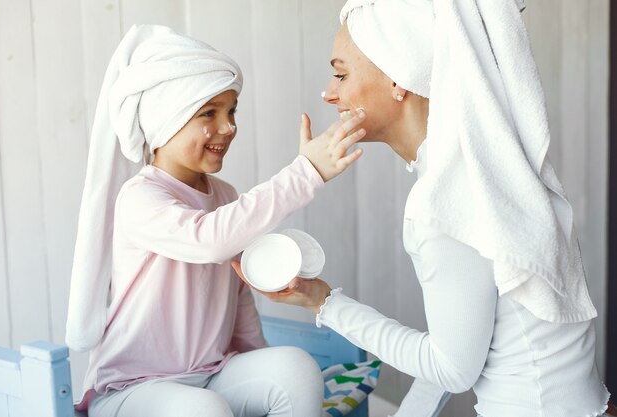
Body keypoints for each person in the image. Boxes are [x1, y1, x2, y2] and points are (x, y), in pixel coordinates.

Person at [232, 1, 615, 416]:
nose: (329, 92)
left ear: (399, 79)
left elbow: (451, 370)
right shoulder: (494, 170)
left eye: (341, 73)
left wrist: (324, 302)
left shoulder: (443, 201)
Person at [64, 24, 366, 417]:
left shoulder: (225, 196)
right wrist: (305, 172)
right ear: (164, 120)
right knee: (202, 410)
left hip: (210, 373)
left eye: (231, 110)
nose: (229, 127)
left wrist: (259, 362)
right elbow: (210, 241)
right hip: (134, 389)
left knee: (296, 369)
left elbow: (237, 295)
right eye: (209, 113)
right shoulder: (140, 198)